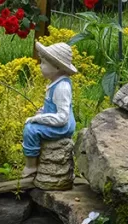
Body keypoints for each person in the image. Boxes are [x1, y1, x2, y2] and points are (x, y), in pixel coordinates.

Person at [21, 42, 77, 178]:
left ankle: (31, 166)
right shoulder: (55, 83)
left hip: (63, 126)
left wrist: (38, 119)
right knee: (33, 124)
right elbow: (52, 107)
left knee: (31, 129)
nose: (40, 66)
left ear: (57, 67)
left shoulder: (62, 87)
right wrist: (43, 112)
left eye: (44, 63)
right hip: (59, 121)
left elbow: (62, 118)